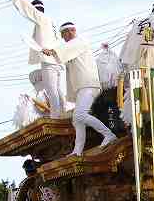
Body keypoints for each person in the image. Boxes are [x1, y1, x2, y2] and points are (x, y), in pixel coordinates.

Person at [44, 22, 117, 157]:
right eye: (62, 35)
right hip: (81, 87)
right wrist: (51, 52)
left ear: (71, 31)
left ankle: (109, 134)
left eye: (64, 34)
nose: (64, 37)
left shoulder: (80, 41)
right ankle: (77, 151)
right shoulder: (71, 48)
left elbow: (64, 49)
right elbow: (63, 52)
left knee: (79, 115)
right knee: (77, 120)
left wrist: (52, 51)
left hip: (88, 84)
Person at [7, 0, 65, 119]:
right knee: (56, 88)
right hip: (56, 60)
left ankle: (56, 115)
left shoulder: (41, 18)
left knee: (52, 90)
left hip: (49, 60)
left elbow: (29, 10)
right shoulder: (49, 23)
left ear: (36, 10)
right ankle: (62, 110)